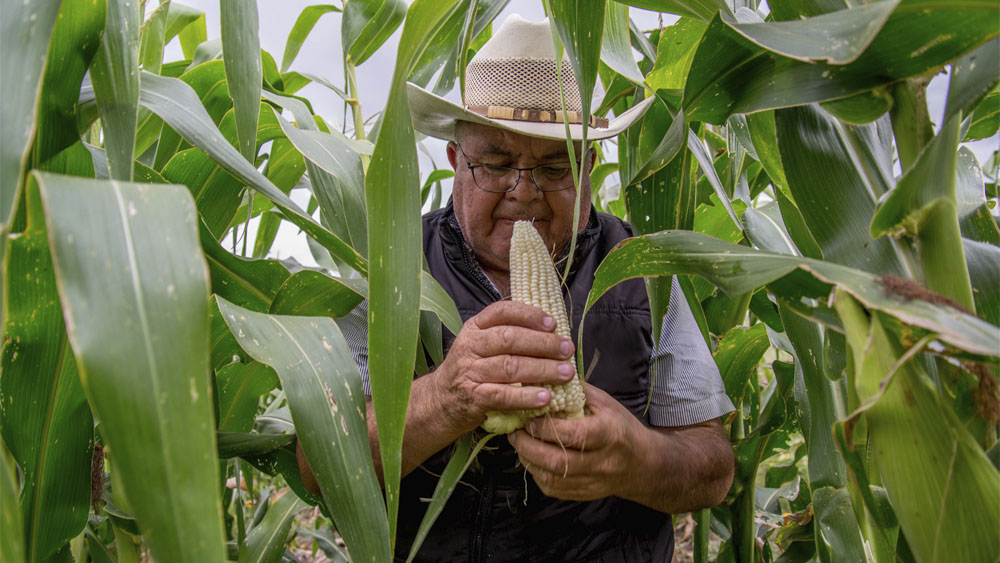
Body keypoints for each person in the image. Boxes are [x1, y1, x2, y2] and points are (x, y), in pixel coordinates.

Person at [299, 15, 734, 562]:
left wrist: (636, 457)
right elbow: (321, 465)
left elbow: (713, 468)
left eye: (554, 169)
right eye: (496, 164)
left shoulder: (642, 270)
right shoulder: (389, 266)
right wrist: (445, 399)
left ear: (589, 167)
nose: (524, 193)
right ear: (456, 161)